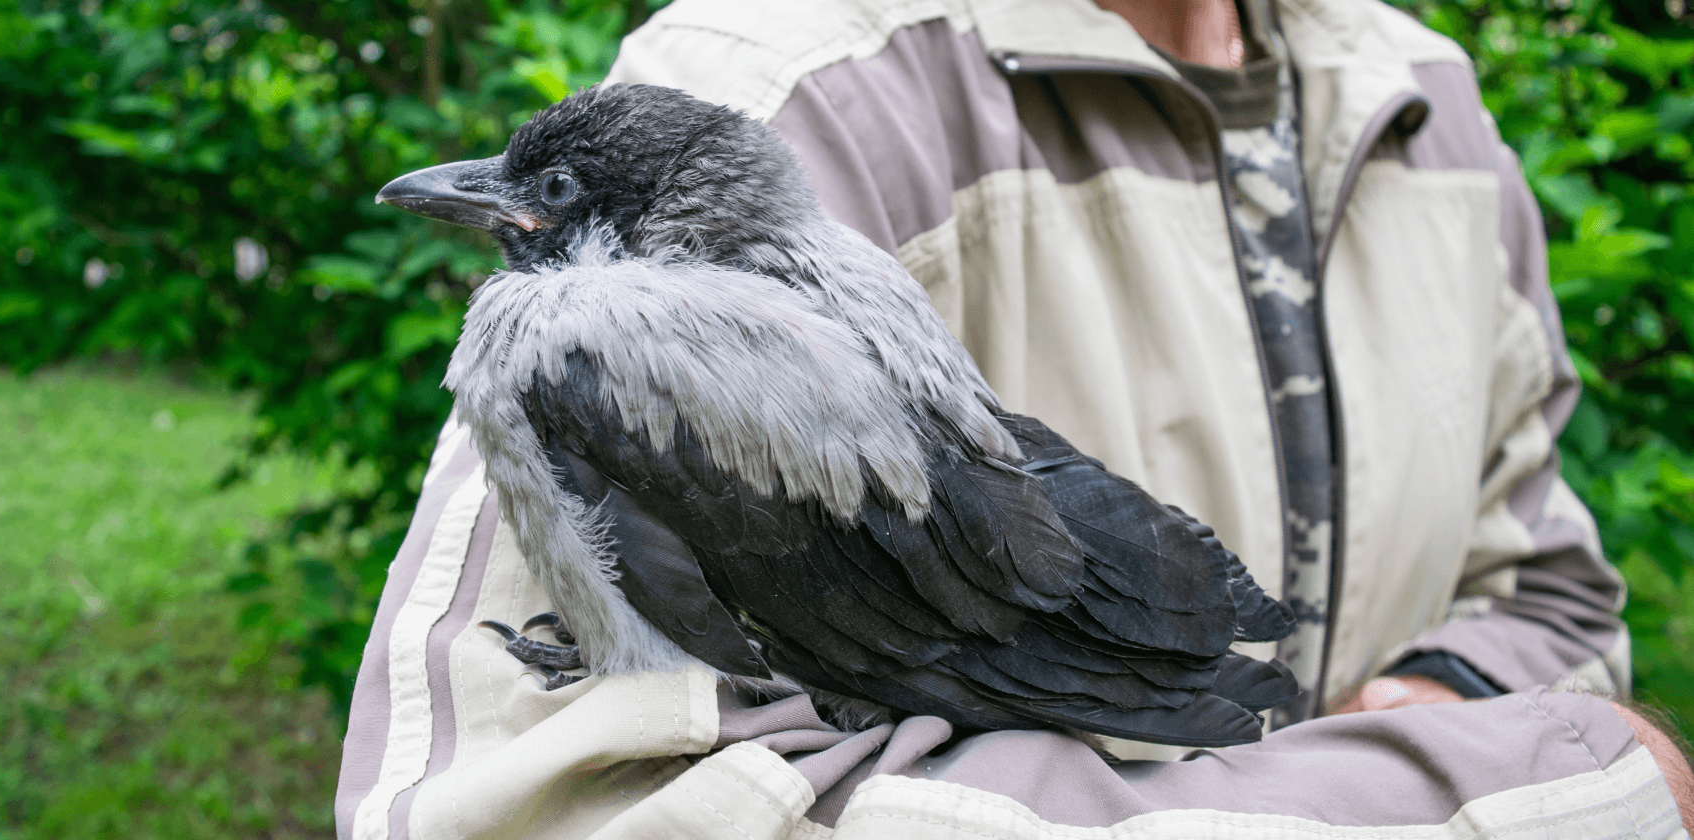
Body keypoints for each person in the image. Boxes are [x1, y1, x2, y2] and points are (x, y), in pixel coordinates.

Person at [334, 0, 1694, 837]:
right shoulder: (772, 78)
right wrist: (1497, 799)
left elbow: (1553, 605)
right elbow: (517, 814)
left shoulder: (1427, 99)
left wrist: (1432, 705)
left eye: (554, 192)